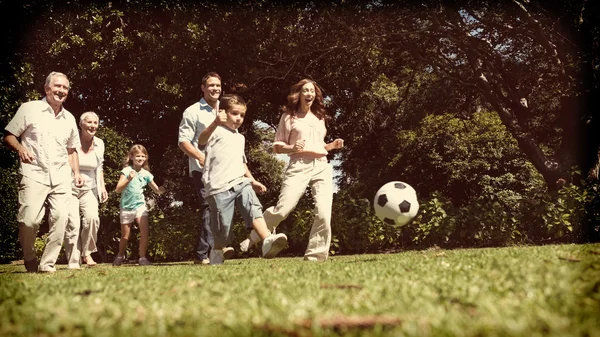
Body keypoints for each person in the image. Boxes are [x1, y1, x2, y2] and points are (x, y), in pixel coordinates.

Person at [240, 79, 344, 261]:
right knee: (283, 209)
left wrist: (331, 146)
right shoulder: (289, 117)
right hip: (299, 165)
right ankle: (256, 235)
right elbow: (277, 146)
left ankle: (315, 256)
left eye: (312, 91)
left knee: (323, 211)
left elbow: (318, 146)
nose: (309, 94)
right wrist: (292, 148)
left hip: (321, 165)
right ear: (299, 94)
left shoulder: (319, 118)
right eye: (306, 91)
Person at [4, 71, 84, 273]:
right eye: (58, 86)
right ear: (47, 88)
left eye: (65, 88)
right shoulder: (29, 109)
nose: (61, 91)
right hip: (34, 173)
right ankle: (29, 256)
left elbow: (71, 150)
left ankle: (47, 264)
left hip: (61, 176)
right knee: (29, 221)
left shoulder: (69, 118)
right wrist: (21, 149)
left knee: (61, 219)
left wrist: (76, 173)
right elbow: (9, 136)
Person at [198, 94, 289, 265]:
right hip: (218, 188)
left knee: (252, 204)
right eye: (234, 113)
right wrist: (215, 123)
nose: (239, 118)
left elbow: (241, 163)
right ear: (222, 112)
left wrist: (252, 180)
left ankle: (267, 239)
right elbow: (201, 141)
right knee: (222, 230)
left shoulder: (240, 138)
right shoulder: (214, 130)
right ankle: (217, 249)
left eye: (242, 115)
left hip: (239, 181)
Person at [178, 71, 233, 265]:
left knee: (220, 209)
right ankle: (207, 254)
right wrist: (200, 156)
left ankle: (207, 251)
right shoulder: (192, 111)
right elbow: (183, 141)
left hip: (223, 168)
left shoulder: (226, 110)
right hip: (201, 168)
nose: (215, 89)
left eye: (218, 85)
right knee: (209, 207)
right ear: (203, 88)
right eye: (211, 85)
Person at [63, 111, 109, 269]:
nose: (93, 126)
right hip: (69, 186)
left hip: (89, 187)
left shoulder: (100, 143)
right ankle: (73, 259)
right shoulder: (71, 140)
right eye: (89, 122)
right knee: (73, 223)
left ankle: (87, 252)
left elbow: (99, 167)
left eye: (95, 123)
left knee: (92, 218)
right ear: (81, 124)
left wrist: (102, 187)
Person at [113, 144, 165, 266]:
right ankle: (120, 256)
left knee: (145, 231)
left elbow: (156, 190)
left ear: (146, 158)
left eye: (143, 156)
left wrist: (163, 189)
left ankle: (142, 258)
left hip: (140, 206)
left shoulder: (146, 174)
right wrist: (128, 179)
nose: (140, 158)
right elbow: (118, 189)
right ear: (131, 157)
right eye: (137, 156)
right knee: (125, 236)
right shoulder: (126, 171)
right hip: (126, 207)